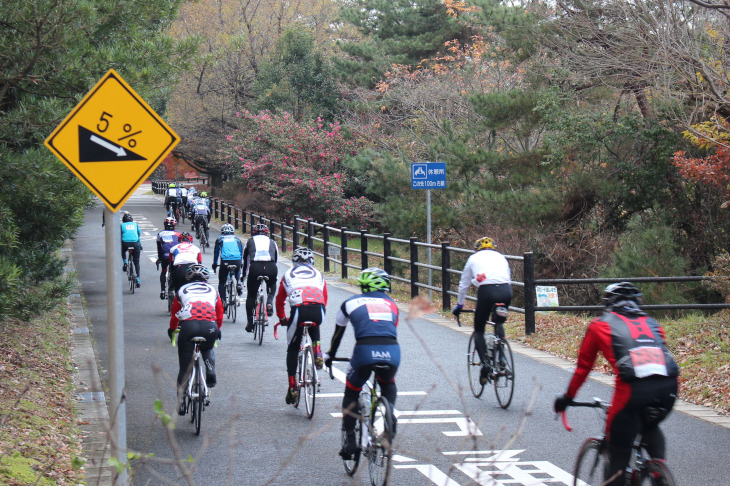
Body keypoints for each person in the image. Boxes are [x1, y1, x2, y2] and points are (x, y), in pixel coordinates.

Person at [553, 282, 679, 486]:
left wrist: (567, 398)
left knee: (618, 452)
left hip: (632, 389)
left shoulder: (600, 324)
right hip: (670, 386)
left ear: (608, 304)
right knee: (650, 423)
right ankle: (659, 472)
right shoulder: (652, 323)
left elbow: (583, 368)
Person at [323, 267, 400, 459]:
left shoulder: (349, 303)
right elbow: (388, 329)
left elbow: (338, 335)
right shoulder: (393, 305)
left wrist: (330, 355)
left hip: (365, 350)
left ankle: (349, 441)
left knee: (352, 389)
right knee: (388, 383)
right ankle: (390, 416)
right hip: (392, 350)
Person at [451, 236, 512, 385]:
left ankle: (486, 364)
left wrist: (459, 305)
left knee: (479, 330)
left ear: (477, 248)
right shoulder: (501, 257)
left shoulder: (473, 259)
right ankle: (502, 359)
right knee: (498, 322)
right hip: (506, 291)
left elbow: (463, 285)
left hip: (487, 291)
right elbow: (506, 277)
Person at [168, 264, 223, 416]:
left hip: (189, 326)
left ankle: (182, 400)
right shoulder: (213, 290)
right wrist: (218, 329)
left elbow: (175, 314)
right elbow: (219, 312)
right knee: (208, 348)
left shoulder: (182, 290)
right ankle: (210, 370)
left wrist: (172, 330)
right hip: (209, 325)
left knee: (184, 368)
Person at [275, 247, 328, 404]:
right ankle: (317, 350)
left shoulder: (288, 275)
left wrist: (283, 318)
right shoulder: (319, 274)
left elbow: (279, 300)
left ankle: (293, 387)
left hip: (299, 310)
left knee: (292, 348)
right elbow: (325, 298)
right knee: (314, 323)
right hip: (319, 309)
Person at [243, 223, 279, 333]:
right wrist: (274, 275)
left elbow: (245, 261)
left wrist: (243, 276)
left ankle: (250, 323)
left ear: (253, 232)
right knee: (272, 284)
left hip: (255, 267)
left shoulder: (249, 241)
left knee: (251, 295)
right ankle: (269, 302)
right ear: (266, 232)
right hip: (271, 266)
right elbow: (276, 259)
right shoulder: (272, 242)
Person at [212, 223, 244, 307]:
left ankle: (223, 302)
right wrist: (241, 263)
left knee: (222, 281)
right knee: (237, 273)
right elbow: (241, 252)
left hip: (225, 260)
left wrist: (215, 264)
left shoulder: (220, 239)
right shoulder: (237, 239)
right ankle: (238, 284)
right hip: (237, 259)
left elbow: (216, 253)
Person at [156, 217, 181, 300]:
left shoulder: (160, 234)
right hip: (175, 256)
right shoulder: (178, 234)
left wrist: (159, 258)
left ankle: (162, 291)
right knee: (176, 272)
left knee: (163, 272)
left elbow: (159, 248)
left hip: (165, 256)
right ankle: (178, 290)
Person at [120, 211, 142, 287]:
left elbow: (119, 235)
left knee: (122, 250)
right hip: (135, 243)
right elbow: (138, 235)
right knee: (136, 262)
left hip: (125, 243)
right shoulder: (135, 225)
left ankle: (125, 262)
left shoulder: (122, 225)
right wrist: (140, 244)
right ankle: (138, 279)